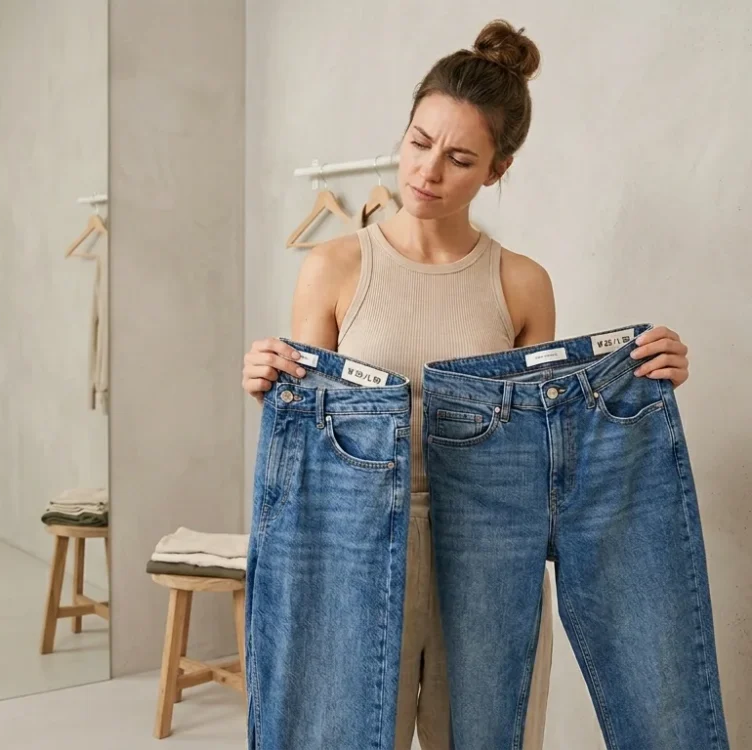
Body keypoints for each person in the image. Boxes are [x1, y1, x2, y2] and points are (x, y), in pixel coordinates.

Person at [241, 19, 691, 750]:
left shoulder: (520, 284)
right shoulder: (332, 268)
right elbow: (310, 423)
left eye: (458, 158)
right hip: (352, 540)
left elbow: (540, 446)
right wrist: (264, 381)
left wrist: (650, 370)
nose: (426, 171)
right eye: (418, 142)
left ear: (497, 170)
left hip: (489, 545)